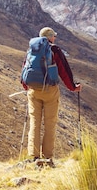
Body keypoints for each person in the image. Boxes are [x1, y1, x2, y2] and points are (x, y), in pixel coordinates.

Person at [21, 27, 81, 164]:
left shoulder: (32, 49)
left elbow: (25, 68)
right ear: (49, 37)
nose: (55, 38)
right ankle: (47, 157)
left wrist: (26, 86)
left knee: (35, 122)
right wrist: (73, 87)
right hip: (50, 91)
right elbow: (64, 70)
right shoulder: (54, 50)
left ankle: (34, 156)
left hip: (33, 90)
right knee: (50, 123)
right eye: (54, 36)